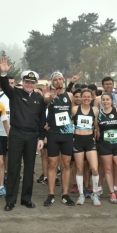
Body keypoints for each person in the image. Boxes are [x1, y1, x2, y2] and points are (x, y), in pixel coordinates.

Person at [0, 56, 45, 211]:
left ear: (35, 84)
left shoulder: (39, 98)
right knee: (13, 168)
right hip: (17, 134)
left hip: (32, 136)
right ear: (23, 82)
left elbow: (41, 120)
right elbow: (5, 87)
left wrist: (41, 137)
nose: (29, 84)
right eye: (26, 82)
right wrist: (3, 74)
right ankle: (10, 200)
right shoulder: (15, 94)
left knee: (30, 168)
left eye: (32, 82)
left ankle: (26, 199)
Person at [43, 71, 75, 207]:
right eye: (55, 80)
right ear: (52, 82)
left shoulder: (70, 95)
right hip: (53, 134)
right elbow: (46, 101)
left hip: (67, 134)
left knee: (67, 164)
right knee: (52, 164)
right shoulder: (48, 95)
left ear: (63, 81)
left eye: (60, 79)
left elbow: (72, 113)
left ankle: (65, 194)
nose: (57, 82)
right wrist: (51, 98)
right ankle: (50, 194)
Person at [71, 89, 100, 206]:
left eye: (89, 97)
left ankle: (95, 194)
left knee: (94, 168)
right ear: (81, 98)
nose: (86, 98)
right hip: (77, 140)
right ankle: (81, 194)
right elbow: (69, 123)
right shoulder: (74, 109)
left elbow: (96, 125)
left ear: (92, 98)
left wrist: (97, 130)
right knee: (79, 169)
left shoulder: (95, 111)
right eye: (84, 97)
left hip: (89, 141)